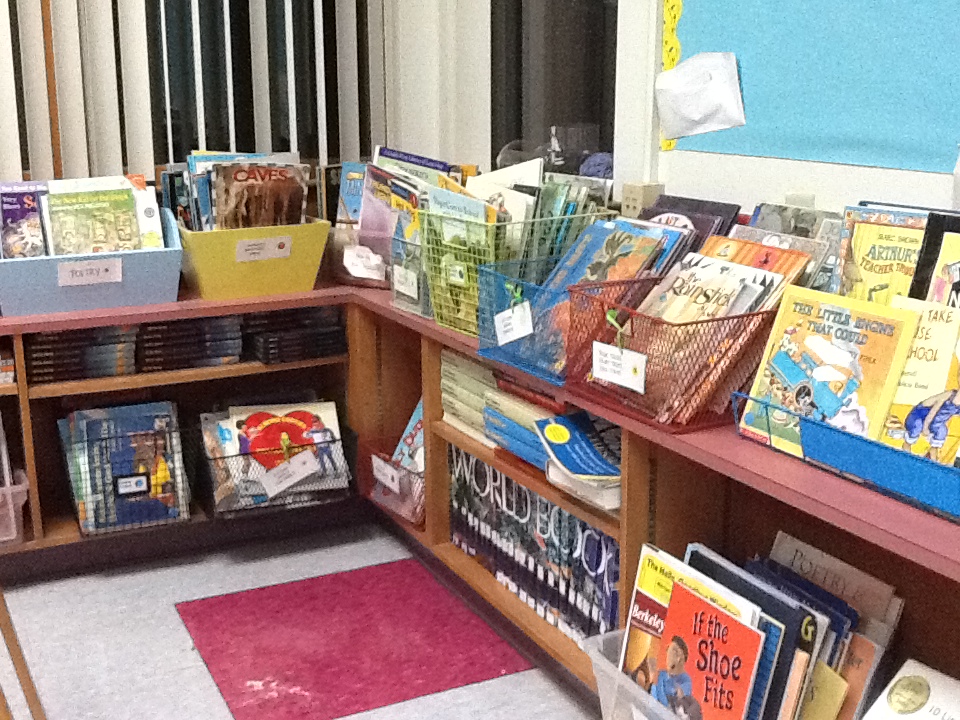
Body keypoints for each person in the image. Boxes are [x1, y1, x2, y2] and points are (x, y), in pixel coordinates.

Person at [901, 388, 960, 462]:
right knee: (915, 429)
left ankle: (933, 461)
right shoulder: (948, 395)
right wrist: (925, 427)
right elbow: (933, 411)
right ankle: (906, 456)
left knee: (942, 431)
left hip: (936, 422)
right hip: (921, 415)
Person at [650, 636, 693, 708]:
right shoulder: (661, 674)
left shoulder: (685, 680)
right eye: (668, 650)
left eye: (672, 652)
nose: (668, 657)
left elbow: (679, 700)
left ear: (679, 658)